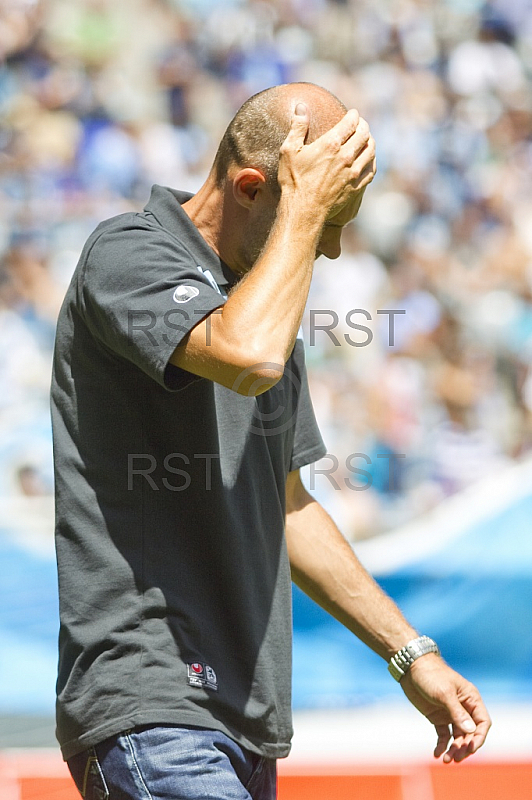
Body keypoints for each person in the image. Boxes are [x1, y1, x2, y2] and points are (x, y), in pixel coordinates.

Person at [51, 82, 491, 800]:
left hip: (244, 727)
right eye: (327, 222)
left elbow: (287, 505)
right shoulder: (128, 252)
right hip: (155, 704)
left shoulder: (263, 304)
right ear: (252, 186)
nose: (337, 250)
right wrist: (305, 213)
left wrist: (411, 654)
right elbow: (247, 356)